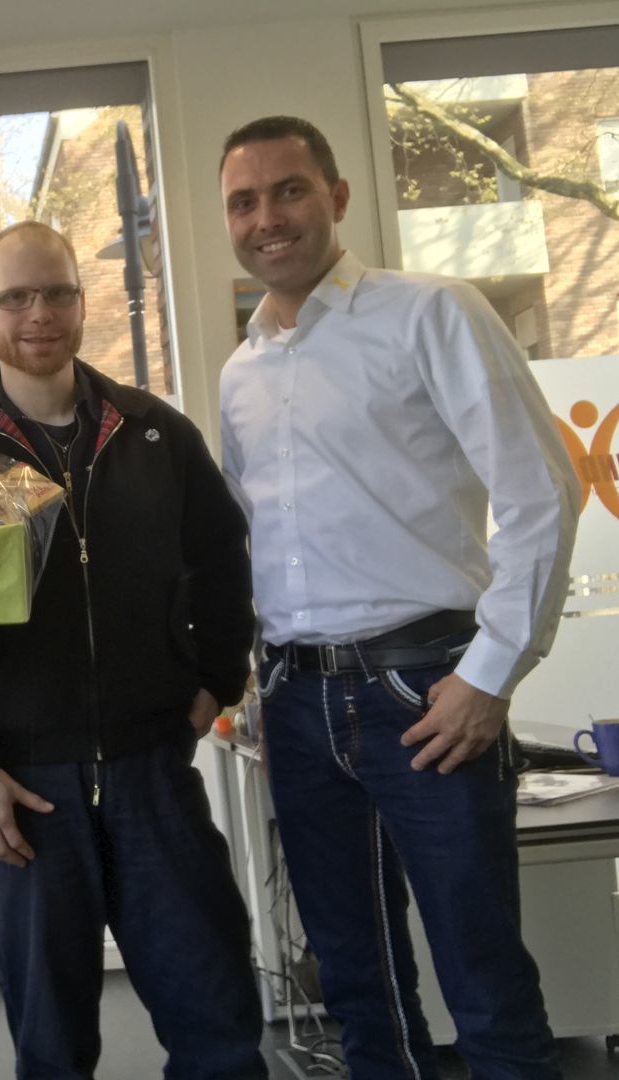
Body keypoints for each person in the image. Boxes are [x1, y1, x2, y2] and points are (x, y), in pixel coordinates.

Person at [217, 116, 579, 1078]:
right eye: (244, 202)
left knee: (483, 979)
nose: (267, 218)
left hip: (424, 690)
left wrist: (490, 675)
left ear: (336, 198)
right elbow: (258, 541)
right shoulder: (240, 372)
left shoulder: (433, 313)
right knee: (356, 987)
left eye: (289, 190)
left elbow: (543, 493)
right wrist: (259, 691)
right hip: (296, 701)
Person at [0, 221, 266, 1079]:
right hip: (27, 793)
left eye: (57, 292)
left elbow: (221, 560)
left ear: (81, 300)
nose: (40, 314)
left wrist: (218, 678)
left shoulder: (154, 432)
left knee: (217, 1024)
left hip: (151, 775)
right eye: (16, 297)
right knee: (53, 1048)